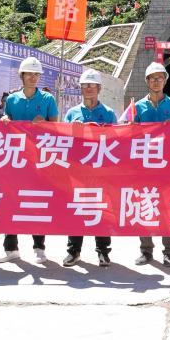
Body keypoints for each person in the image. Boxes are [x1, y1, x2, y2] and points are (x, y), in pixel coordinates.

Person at [0, 57, 59, 265]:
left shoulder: (48, 99)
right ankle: (11, 248)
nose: (33, 77)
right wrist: (5, 120)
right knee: (10, 202)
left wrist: (44, 124)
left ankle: (39, 248)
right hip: (15, 158)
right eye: (29, 74)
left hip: (39, 160)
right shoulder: (12, 99)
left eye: (36, 74)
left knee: (36, 202)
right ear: (21, 76)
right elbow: (6, 122)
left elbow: (56, 127)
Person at [62, 69, 115, 267]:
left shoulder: (108, 113)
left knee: (102, 210)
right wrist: (72, 131)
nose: (89, 88)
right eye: (85, 85)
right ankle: (73, 251)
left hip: (101, 170)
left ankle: (103, 252)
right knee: (78, 209)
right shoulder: (72, 113)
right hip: (78, 170)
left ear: (99, 88)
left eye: (92, 85)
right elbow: (62, 140)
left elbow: (118, 140)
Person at [133, 62, 170, 268]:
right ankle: (146, 250)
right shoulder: (137, 106)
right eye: (152, 78)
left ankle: (168, 252)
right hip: (144, 166)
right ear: (147, 81)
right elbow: (129, 133)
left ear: (165, 81)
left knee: (167, 208)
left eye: (160, 78)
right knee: (145, 205)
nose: (156, 81)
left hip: (167, 166)